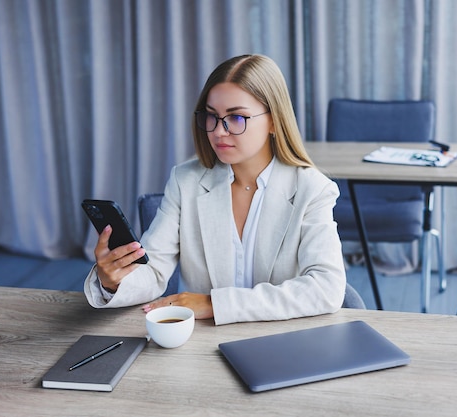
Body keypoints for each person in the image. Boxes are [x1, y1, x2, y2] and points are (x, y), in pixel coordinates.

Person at [84, 54, 346, 325]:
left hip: (281, 340)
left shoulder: (311, 189)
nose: (219, 132)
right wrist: (112, 281)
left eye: (236, 118)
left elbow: (326, 288)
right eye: (212, 116)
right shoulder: (185, 180)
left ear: (274, 121)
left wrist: (214, 304)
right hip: (203, 344)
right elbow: (154, 272)